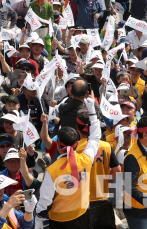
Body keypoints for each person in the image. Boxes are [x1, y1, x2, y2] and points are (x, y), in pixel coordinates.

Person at [35, 92, 100, 228]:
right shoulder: (86, 159)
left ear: (58, 144)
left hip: (60, 220)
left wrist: (38, 220)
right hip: (82, 215)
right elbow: (94, 137)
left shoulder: (52, 170)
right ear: (77, 144)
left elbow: (44, 202)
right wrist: (92, 111)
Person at [74, 108, 120, 229]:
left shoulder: (74, 150)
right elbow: (117, 170)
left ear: (77, 128)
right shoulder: (106, 146)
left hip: (82, 202)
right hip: (103, 199)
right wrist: (104, 179)